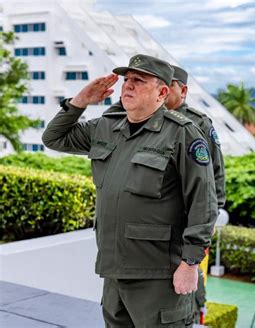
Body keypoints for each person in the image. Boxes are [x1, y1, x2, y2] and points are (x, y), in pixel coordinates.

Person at [42, 54, 218, 327]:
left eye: (138, 80)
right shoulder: (106, 127)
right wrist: (81, 101)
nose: (128, 86)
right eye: (126, 80)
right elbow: (53, 138)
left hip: (159, 276)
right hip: (113, 271)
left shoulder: (182, 133)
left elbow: (203, 200)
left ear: (162, 92)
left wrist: (190, 263)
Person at [103, 64, 226, 209]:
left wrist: (213, 211)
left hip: (180, 210)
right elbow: (108, 124)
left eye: (170, 84)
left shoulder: (198, 122)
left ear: (183, 91)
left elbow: (215, 170)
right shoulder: (143, 116)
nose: (164, 90)